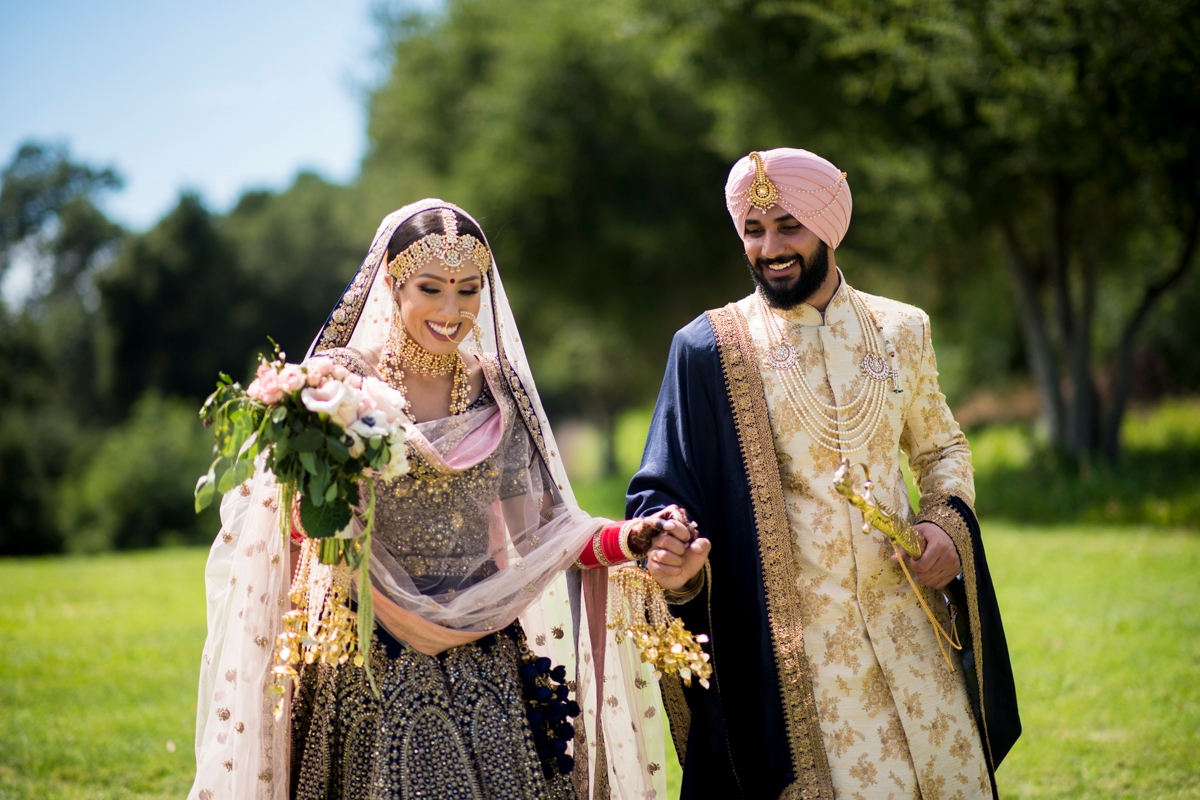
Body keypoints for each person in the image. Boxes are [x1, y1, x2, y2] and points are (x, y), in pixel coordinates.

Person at [189, 199, 688, 800]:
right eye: (432, 288)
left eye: (468, 290)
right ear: (393, 284)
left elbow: (545, 532)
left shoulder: (498, 395)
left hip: (484, 657)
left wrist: (631, 537)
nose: (451, 311)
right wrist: (323, 506)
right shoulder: (337, 387)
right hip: (368, 659)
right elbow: (292, 524)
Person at [628, 149, 1020, 799]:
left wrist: (946, 524)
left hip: (914, 634)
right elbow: (664, 493)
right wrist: (670, 553)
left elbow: (940, 448)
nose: (770, 247)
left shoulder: (901, 329)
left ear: (828, 225)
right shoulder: (708, 348)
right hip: (797, 662)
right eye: (753, 232)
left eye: (788, 226)